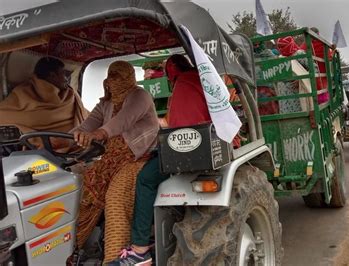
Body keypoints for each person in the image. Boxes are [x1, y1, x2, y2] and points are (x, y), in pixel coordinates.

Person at [109, 54, 212, 265]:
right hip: (207, 140)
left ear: (172, 72)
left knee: (146, 179)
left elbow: (176, 125)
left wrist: (152, 123)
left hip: (188, 149)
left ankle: (139, 250)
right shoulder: (203, 79)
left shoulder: (182, 84)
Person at [72, 61, 159, 263]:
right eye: (112, 75)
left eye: (120, 76)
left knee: (116, 197)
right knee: (84, 192)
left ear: (130, 77)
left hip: (140, 158)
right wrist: (72, 137)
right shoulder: (106, 103)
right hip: (111, 159)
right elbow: (87, 125)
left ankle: (119, 257)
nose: (115, 80)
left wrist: (100, 133)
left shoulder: (140, 96)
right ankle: (76, 247)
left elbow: (123, 121)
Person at [0, 57, 88, 133]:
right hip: (78, 147)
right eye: (63, 74)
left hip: (45, 149)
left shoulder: (70, 94)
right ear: (52, 75)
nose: (66, 79)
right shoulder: (23, 94)